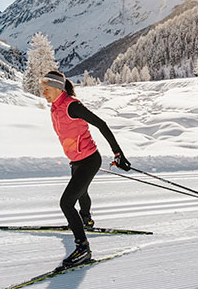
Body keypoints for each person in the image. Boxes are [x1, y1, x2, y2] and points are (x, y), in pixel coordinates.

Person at [40, 70, 131, 267]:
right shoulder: (55, 107)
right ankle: (86, 221)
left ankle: (83, 249)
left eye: (47, 89)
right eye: (43, 89)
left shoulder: (72, 106)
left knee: (66, 203)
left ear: (58, 88)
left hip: (89, 160)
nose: (43, 93)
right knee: (81, 192)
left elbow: (101, 124)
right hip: (77, 160)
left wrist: (118, 153)